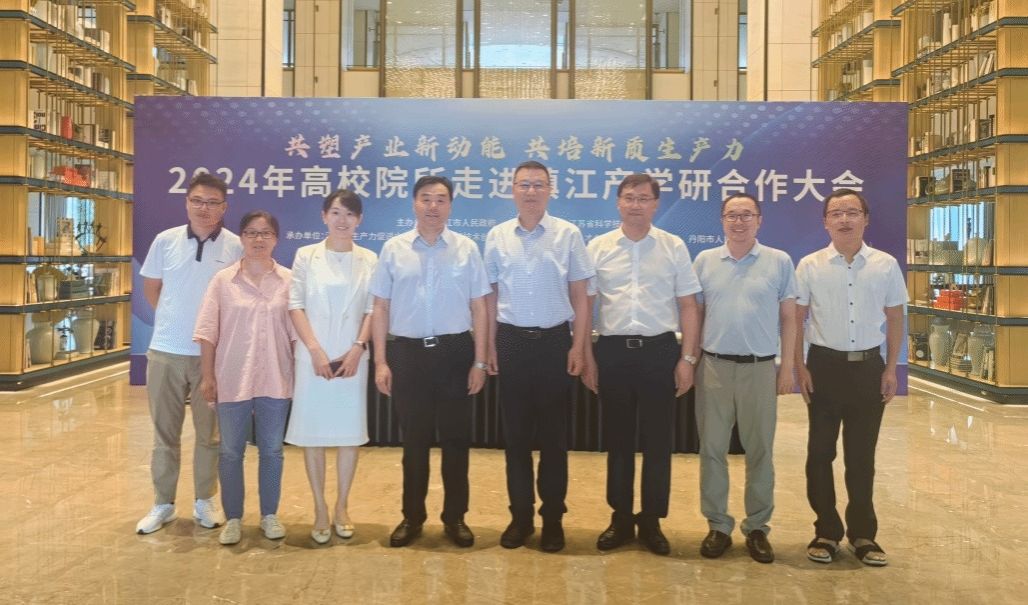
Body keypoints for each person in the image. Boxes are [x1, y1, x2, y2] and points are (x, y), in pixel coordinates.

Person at [583, 173, 701, 556]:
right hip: (612, 351)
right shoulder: (598, 247)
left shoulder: (673, 246)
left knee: (658, 442)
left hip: (659, 352)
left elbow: (688, 306)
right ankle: (619, 518)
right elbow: (586, 305)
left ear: (655, 204)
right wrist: (586, 355)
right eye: (629, 197)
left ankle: (651, 520)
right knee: (617, 441)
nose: (636, 204)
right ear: (618, 202)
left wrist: (687, 359)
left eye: (644, 198)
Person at [370, 176, 491, 548]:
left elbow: (479, 307)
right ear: (414, 203)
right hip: (408, 355)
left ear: (450, 206)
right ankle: (412, 518)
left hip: (456, 353)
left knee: (456, 441)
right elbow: (380, 307)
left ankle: (455, 518)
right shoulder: (393, 249)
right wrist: (381, 361)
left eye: (441, 199)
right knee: (414, 443)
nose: (433, 206)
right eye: (426, 198)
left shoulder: (467, 249)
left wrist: (480, 362)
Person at [484, 160, 595, 553]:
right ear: (512, 189)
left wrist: (578, 346)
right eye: (523, 184)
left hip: (554, 344)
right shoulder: (497, 236)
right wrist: (488, 346)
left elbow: (581, 295)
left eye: (538, 184)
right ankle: (520, 518)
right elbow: (490, 296)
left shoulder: (568, 234)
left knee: (553, 440)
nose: (530, 191)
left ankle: (552, 520)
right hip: (511, 343)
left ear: (549, 190)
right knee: (515, 439)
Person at [794, 188, 906, 567]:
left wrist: (891, 368)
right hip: (823, 368)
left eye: (852, 212)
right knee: (819, 453)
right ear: (825, 222)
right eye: (836, 213)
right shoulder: (809, 265)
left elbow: (895, 317)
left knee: (861, 457)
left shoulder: (886, 265)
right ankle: (826, 530)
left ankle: (863, 534)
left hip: (868, 370)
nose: (844, 219)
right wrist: (799, 366)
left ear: (865, 219)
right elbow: (796, 318)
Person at [692, 193, 798, 564]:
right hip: (714, 368)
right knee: (712, 449)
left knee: (760, 450)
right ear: (722, 220)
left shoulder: (779, 261)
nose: (739, 222)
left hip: (760, 368)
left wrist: (787, 367)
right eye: (732, 215)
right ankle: (718, 525)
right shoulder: (705, 261)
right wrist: (690, 361)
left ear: (759, 220)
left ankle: (757, 528)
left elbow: (789, 318)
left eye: (746, 215)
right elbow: (695, 315)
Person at [136, 173, 242, 535]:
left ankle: (204, 500)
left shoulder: (236, 247)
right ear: (186, 203)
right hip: (165, 352)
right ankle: (162, 504)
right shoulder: (165, 241)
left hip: (211, 358)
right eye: (197, 200)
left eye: (212, 202)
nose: (204, 208)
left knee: (210, 435)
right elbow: (153, 289)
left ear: (224, 207)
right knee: (164, 435)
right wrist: (174, 321)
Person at [193, 210, 296, 545]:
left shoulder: (289, 280)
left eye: (265, 233)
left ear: (276, 239)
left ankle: (269, 515)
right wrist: (208, 376)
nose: (258, 239)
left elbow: (297, 334)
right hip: (231, 377)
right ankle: (234, 517)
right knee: (230, 451)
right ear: (241, 238)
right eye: (251, 233)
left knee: (272, 451)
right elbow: (207, 332)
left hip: (276, 378)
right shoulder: (223, 281)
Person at [285, 190, 376, 545]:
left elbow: (372, 309)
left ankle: (342, 506)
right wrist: (314, 350)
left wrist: (358, 347)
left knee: (349, 436)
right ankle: (320, 508)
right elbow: (295, 305)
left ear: (360, 219)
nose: (342, 220)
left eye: (350, 214)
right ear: (324, 216)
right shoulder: (305, 256)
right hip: (314, 360)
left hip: (352, 360)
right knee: (314, 436)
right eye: (336, 212)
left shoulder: (369, 259)